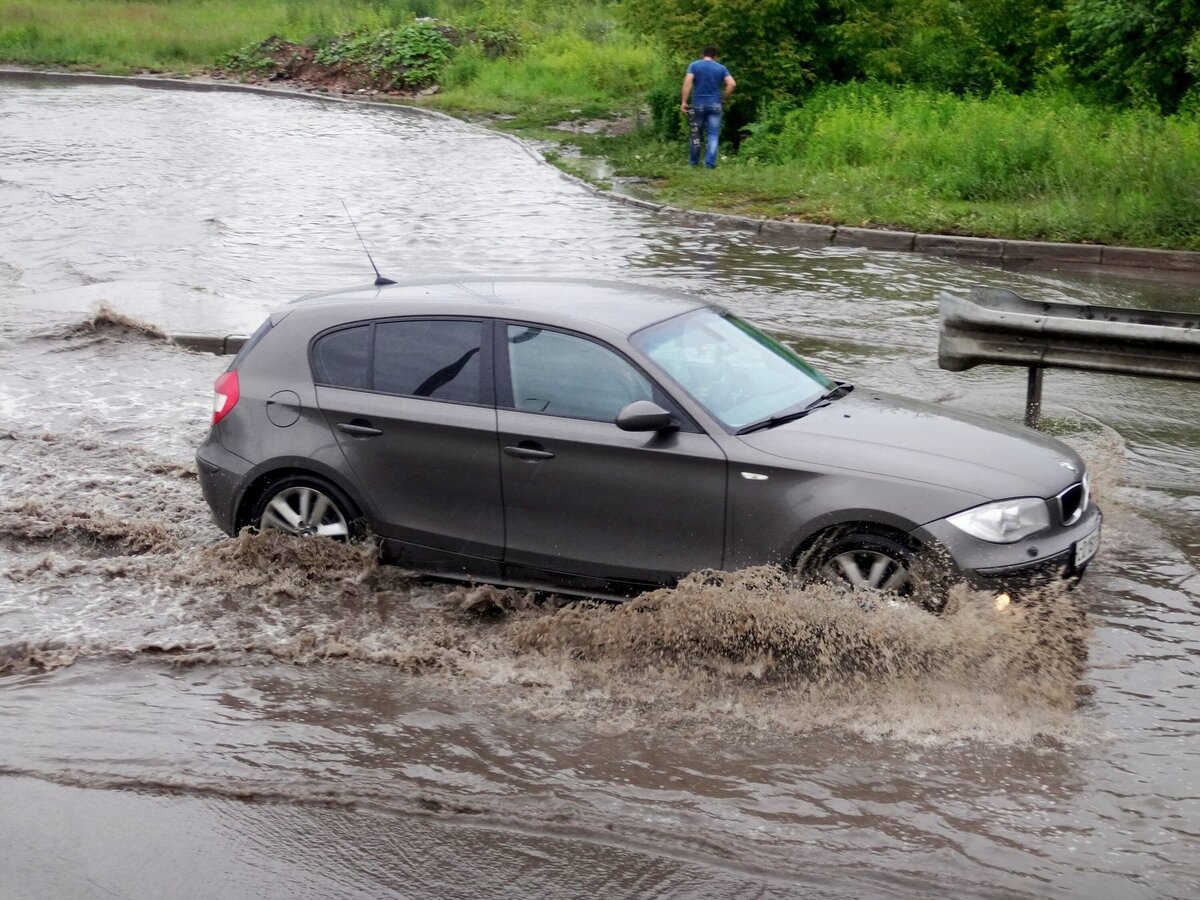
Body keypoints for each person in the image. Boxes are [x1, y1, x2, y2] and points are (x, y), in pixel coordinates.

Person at [680, 46, 735, 168]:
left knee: (695, 134)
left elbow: (687, 83)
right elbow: (732, 84)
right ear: (715, 56)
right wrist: (724, 98)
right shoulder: (721, 68)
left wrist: (684, 101)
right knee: (713, 135)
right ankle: (709, 164)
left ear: (702, 54)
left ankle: (693, 163)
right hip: (715, 105)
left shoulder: (694, 66)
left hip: (697, 104)